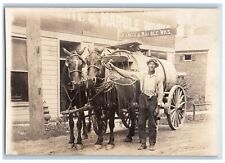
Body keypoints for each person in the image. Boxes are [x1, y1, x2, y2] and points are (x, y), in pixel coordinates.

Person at [107, 58, 164, 151]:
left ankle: (152, 144)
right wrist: (114, 67)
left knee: (152, 123)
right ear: (148, 65)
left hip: (152, 99)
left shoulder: (158, 77)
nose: (151, 66)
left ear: (155, 66)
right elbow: (128, 74)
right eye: (150, 64)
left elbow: (161, 92)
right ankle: (143, 143)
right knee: (141, 123)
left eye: (153, 64)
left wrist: (158, 106)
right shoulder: (142, 75)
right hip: (143, 98)